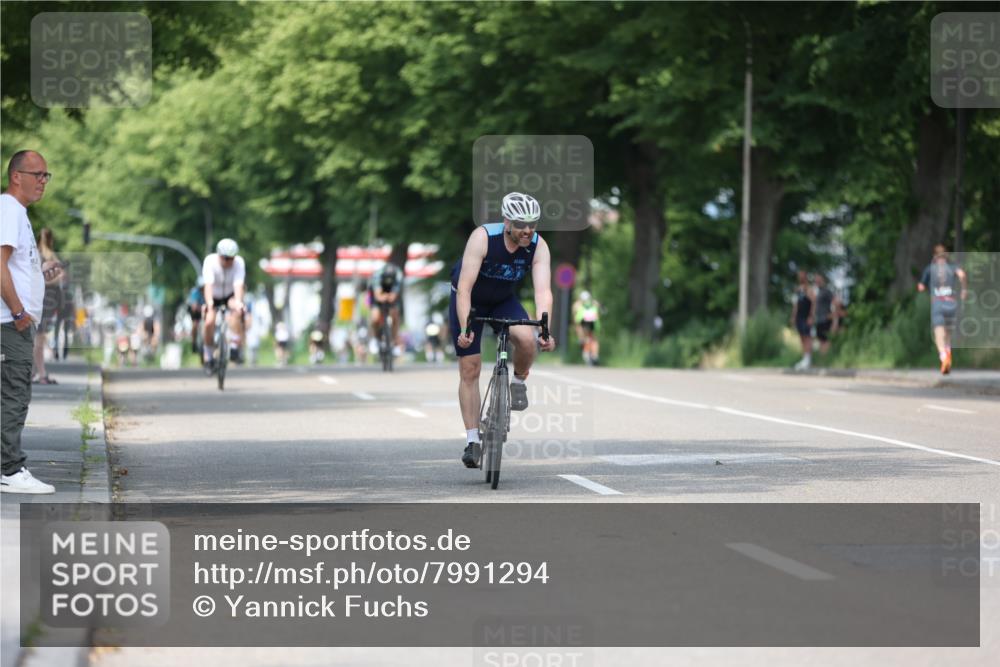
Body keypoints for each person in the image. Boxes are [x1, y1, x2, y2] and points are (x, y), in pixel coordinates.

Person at [451, 192, 556, 468]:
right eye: (522, 224)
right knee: (470, 367)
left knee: (526, 339)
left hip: (501, 301)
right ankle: (473, 440)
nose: (528, 230)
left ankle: (519, 381)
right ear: (507, 220)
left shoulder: (538, 246)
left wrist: (545, 329)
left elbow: (543, 291)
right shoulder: (483, 238)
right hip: (469, 300)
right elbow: (464, 288)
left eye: (533, 223)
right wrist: (465, 326)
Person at [2, 150, 59, 493]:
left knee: (10, 392)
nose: (42, 181)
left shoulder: (15, 213)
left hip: (13, 320)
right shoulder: (9, 210)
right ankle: (9, 470)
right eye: (36, 174)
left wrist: (40, 274)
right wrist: (20, 312)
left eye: (45, 176)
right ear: (16, 177)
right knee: (14, 393)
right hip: (10, 322)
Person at [918, 244, 968, 375]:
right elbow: (962, 275)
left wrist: (925, 287)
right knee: (948, 334)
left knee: (938, 334)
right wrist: (964, 290)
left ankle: (943, 357)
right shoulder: (952, 267)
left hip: (938, 304)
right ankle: (948, 355)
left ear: (935, 256)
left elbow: (921, 287)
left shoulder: (930, 269)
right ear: (946, 256)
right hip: (951, 304)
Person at [201, 238, 246, 369]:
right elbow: (208, 285)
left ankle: (234, 346)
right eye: (225, 258)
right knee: (209, 320)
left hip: (229, 295)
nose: (228, 262)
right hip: (213, 296)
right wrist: (209, 304)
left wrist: (239, 303)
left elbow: (238, 285)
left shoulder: (239, 263)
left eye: (231, 258)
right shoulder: (210, 261)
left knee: (238, 310)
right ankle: (208, 355)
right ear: (219, 255)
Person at [33, 227, 63, 384]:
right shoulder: (50, 256)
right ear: (51, 240)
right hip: (45, 302)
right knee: (39, 338)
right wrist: (52, 281)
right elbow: (59, 277)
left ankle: (36, 373)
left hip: (41, 301)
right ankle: (40, 373)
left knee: (38, 338)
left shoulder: (36, 254)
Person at [370, 262, 403, 357]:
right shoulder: (377, 275)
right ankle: (375, 338)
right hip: (379, 294)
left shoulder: (398, 275)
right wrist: (382, 297)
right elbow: (378, 295)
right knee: (375, 318)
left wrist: (390, 296)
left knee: (395, 315)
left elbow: (394, 295)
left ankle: (394, 339)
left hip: (390, 293)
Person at [812, 274, 840, 356]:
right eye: (816, 280)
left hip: (826, 319)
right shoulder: (818, 292)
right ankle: (823, 359)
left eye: (819, 280)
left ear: (823, 280)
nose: (817, 281)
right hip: (819, 320)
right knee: (820, 339)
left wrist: (835, 318)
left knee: (826, 340)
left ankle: (825, 357)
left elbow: (836, 302)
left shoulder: (826, 291)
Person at [791, 270, 814, 371]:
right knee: (802, 337)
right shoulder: (798, 289)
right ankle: (804, 358)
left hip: (806, 316)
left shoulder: (808, 289)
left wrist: (811, 316)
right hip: (799, 317)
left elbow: (814, 302)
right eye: (799, 276)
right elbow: (796, 305)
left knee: (807, 337)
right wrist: (793, 316)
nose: (800, 277)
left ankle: (808, 359)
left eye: (802, 276)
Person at [572, 290, 602, 365]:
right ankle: (594, 355)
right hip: (592, 323)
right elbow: (600, 310)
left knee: (586, 339)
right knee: (593, 338)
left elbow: (575, 318)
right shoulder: (593, 302)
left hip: (583, 323)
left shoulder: (577, 304)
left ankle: (588, 354)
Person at [186, 277, 206, 354]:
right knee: (195, 325)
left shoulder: (209, 291)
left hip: (204, 310)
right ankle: (194, 342)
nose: (202, 290)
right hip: (195, 312)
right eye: (201, 288)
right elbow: (194, 306)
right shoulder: (195, 292)